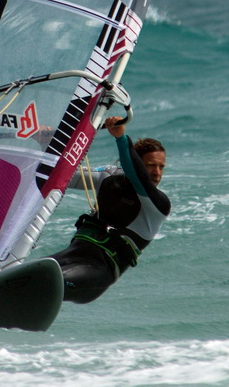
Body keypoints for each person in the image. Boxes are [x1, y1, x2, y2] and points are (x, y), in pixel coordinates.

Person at [48, 115, 170, 304]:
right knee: (22, 274)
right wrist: (48, 142)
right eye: (151, 165)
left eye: (161, 167)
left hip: (97, 272)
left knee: (51, 280)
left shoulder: (158, 204)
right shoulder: (109, 177)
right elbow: (60, 176)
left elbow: (139, 178)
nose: (157, 173)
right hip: (72, 255)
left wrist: (121, 139)